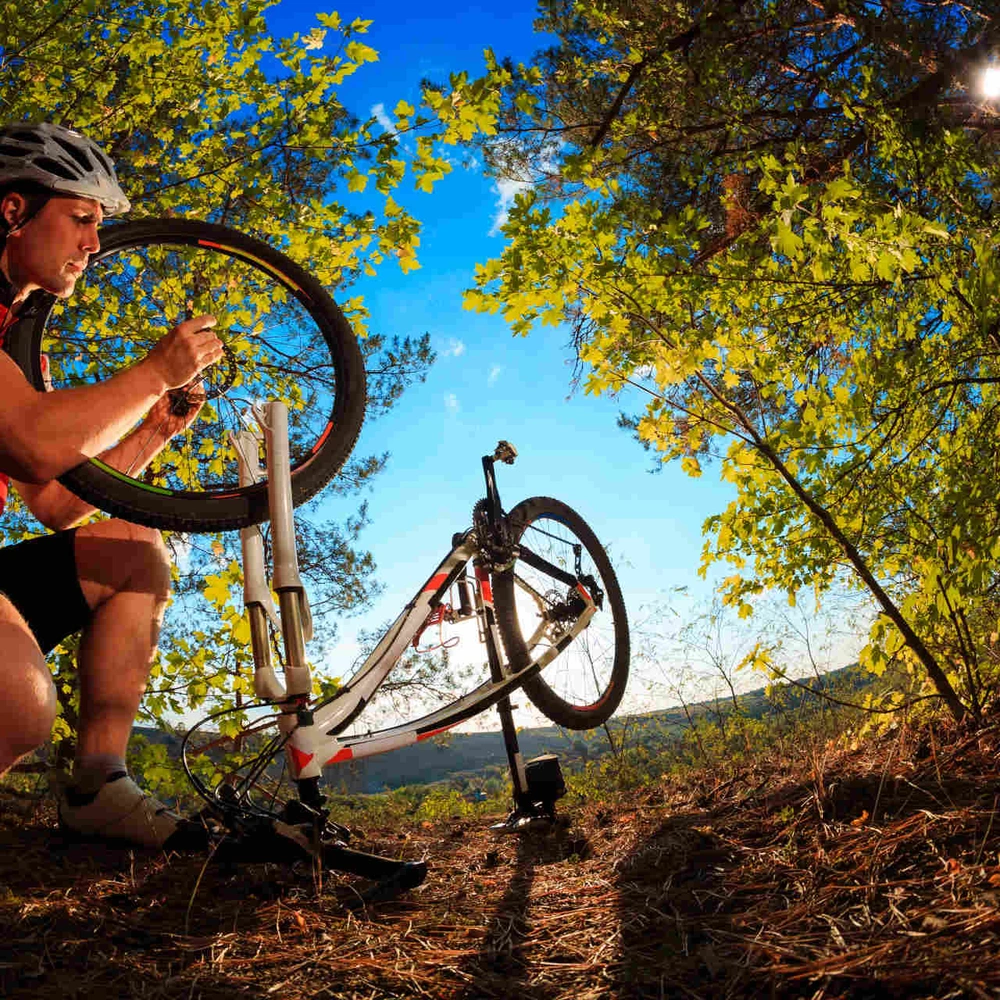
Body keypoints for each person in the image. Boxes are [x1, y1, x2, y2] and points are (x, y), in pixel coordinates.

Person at [0, 122, 222, 849]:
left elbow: (57, 501)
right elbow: (34, 442)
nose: (94, 244)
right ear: (14, 210)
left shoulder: (15, 344)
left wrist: (152, 429)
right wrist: (157, 368)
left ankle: (100, 785)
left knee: (132, 547)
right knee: (17, 708)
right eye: (83, 219)